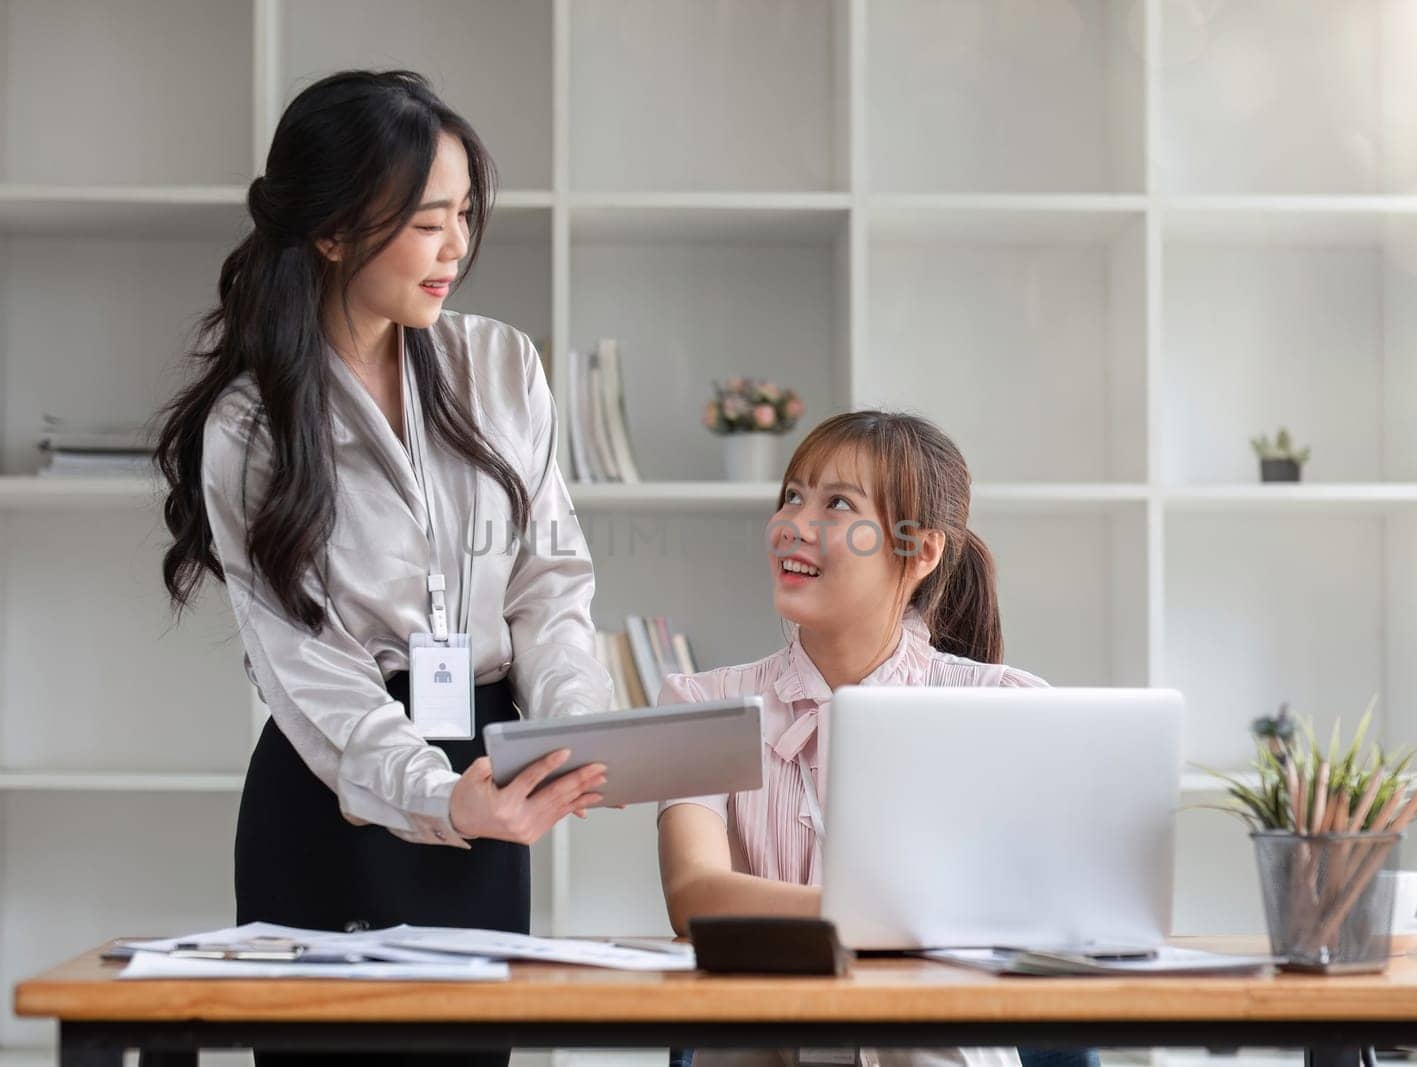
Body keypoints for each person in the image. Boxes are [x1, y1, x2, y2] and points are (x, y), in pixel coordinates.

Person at [155, 70, 611, 1066]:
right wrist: (437, 796)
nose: (458, 247)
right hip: (330, 793)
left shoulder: (500, 367)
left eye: (464, 215)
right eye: (426, 221)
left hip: (485, 769)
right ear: (332, 232)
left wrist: (572, 733)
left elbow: (552, 584)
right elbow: (305, 670)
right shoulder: (250, 426)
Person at [656, 410, 1045, 1067]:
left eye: (837, 503)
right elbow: (696, 896)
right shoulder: (702, 703)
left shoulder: (1004, 708)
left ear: (919, 551)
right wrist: (900, 918)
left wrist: (806, 915)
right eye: (792, 496)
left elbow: (1030, 908)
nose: (792, 526)